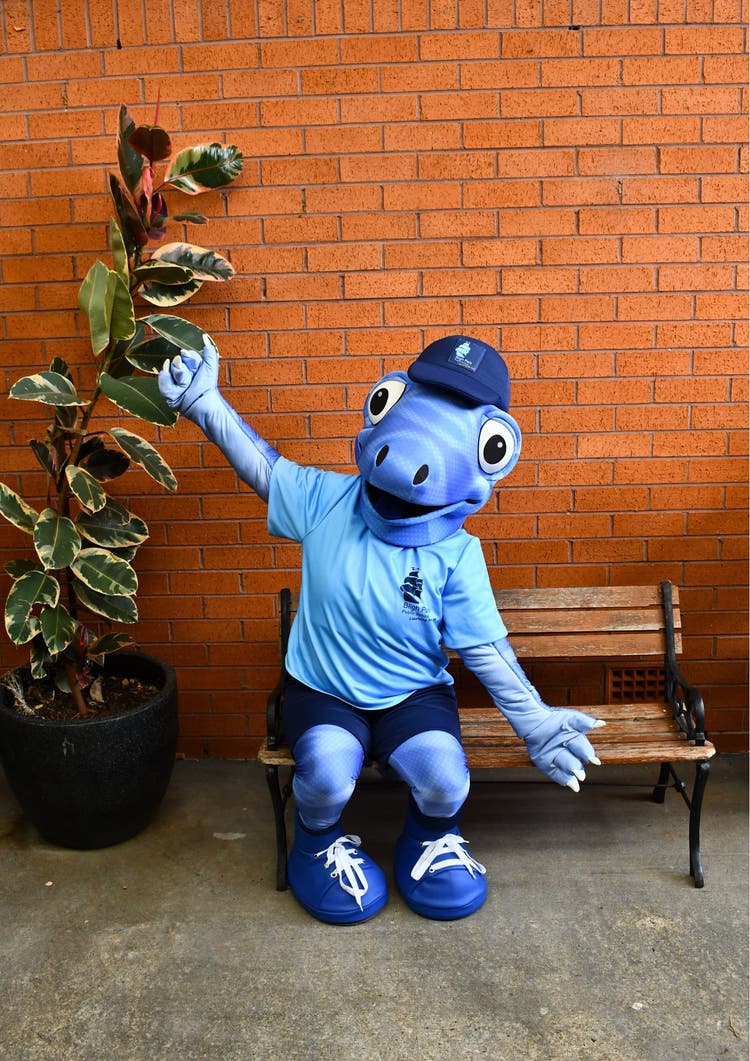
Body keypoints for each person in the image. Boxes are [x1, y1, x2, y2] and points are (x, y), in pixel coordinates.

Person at [159, 334, 603, 924]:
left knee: (446, 780)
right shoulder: (326, 500)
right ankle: (316, 844)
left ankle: (430, 839)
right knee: (325, 774)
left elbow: (484, 649)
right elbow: (263, 468)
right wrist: (204, 402)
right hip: (323, 690)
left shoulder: (458, 553)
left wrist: (536, 722)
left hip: (413, 694)